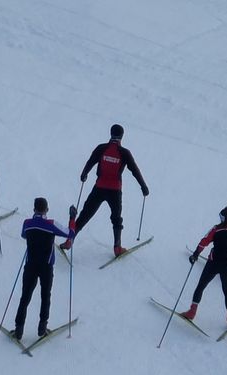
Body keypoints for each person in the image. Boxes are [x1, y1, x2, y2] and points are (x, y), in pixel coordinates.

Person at [59, 124, 149, 256]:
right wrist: (143, 186)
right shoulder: (124, 153)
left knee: (85, 215)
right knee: (116, 218)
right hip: (115, 191)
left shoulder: (101, 148)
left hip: (99, 188)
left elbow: (90, 161)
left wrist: (84, 173)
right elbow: (134, 170)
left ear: (110, 133)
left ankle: (69, 240)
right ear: (122, 137)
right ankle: (117, 248)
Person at [11, 198, 76, 340]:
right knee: (45, 296)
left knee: (25, 296)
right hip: (46, 267)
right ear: (46, 209)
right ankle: (42, 328)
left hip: (30, 265)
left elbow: (23, 235)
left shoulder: (27, 223)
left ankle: (18, 329)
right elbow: (70, 234)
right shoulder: (50, 224)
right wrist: (72, 218)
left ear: (34, 209)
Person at [181, 207, 227, 328]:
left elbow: (204, 241)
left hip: (213, 263)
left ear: (222, 218)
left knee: (201, 286)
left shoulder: (216, 229)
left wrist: (196, 254)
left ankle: (192, 312)